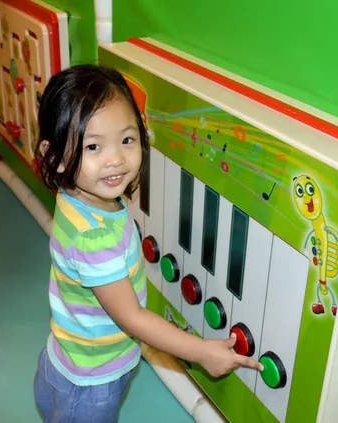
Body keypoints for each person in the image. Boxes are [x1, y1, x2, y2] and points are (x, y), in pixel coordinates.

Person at [32, 64, 263, 423]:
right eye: (93, 146)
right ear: (55, 156)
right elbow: (133, 318)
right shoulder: (94, 239)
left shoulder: (77, 195)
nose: (116, 159)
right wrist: (200, 351)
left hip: (64, 356)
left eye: (127, 140)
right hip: (92, 379)